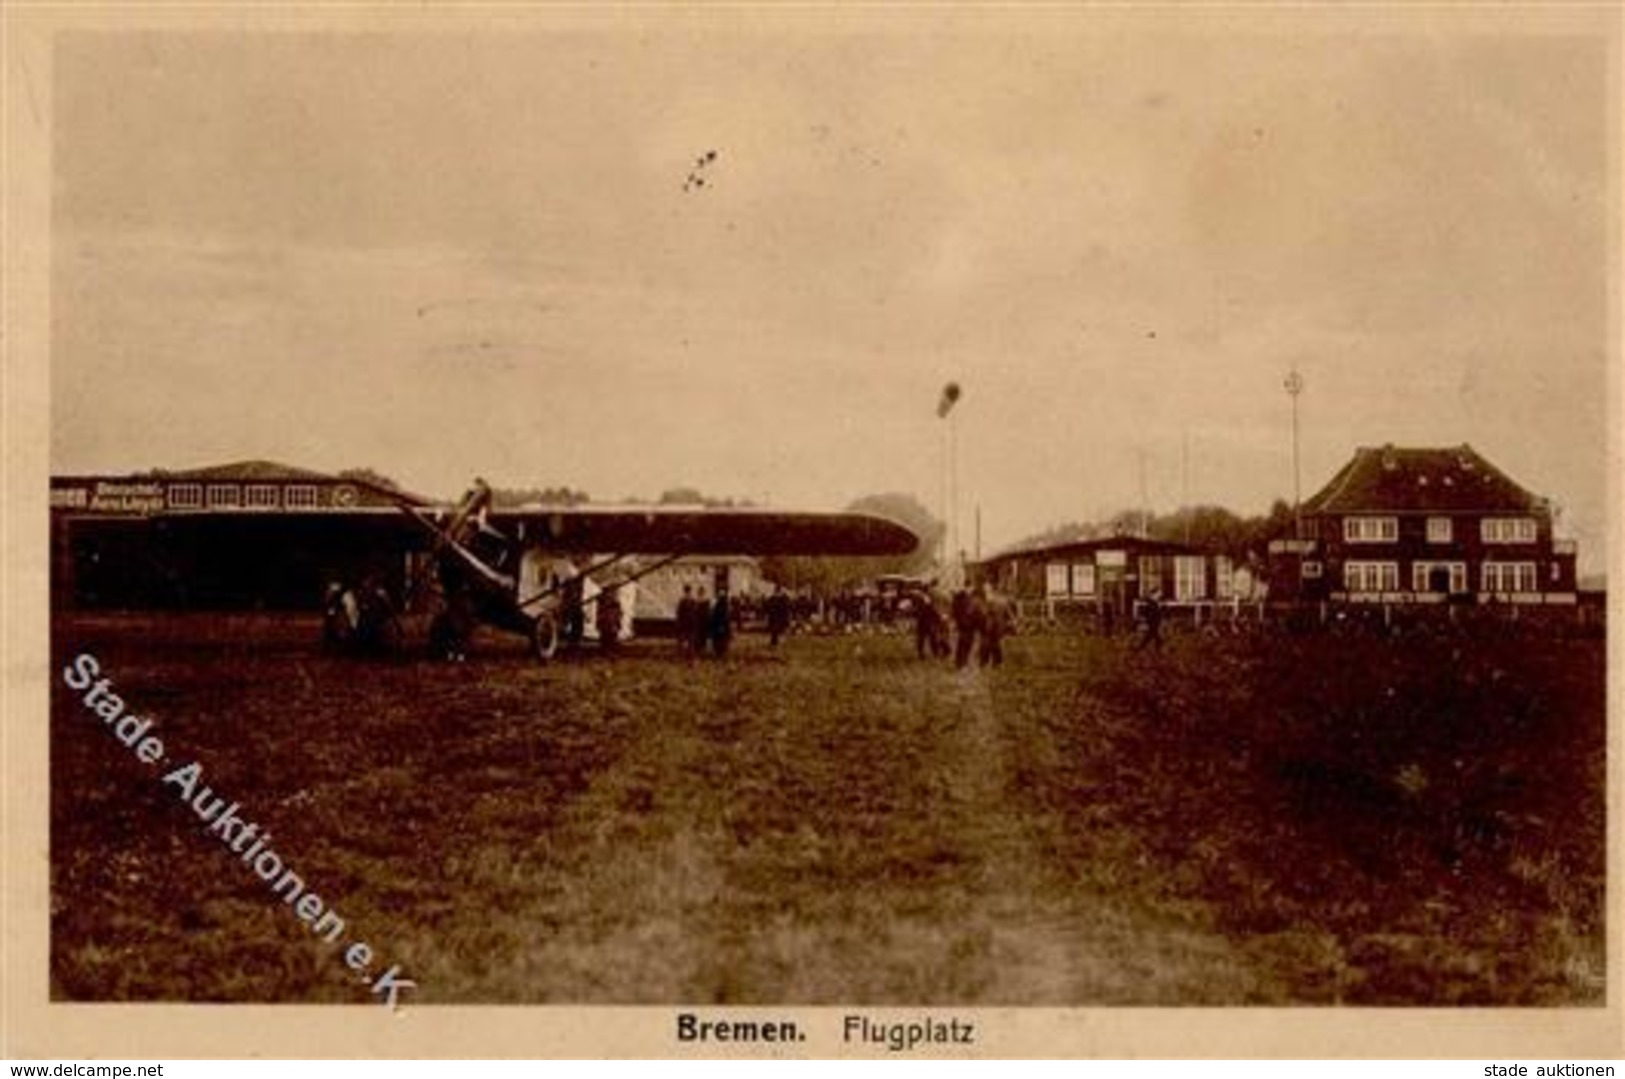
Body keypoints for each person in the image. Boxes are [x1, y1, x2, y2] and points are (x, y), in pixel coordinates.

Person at [979, 583, 1015, 667]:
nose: (985, 591)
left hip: (996, 626)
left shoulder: (997, 600)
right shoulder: (984, 601)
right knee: (986, 644)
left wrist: (1011, 620)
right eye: (984, 590)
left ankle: (997, 662)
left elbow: (1007, 611)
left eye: (987, 589)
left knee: (996, 644)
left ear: (991, 589)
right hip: (987, 626)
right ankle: (985, 662)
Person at [952, 586, 984, 669]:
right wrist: (980, 627)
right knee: (967, 644)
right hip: (969, 626)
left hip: (962, 625)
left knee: (961, 643)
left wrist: (958, 623)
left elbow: (955, 613)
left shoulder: (959, 601)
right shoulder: (973, 602)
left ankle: (959, 662)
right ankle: (963, 662)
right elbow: (977, 615)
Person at [596, 586, 623, 651]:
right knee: (606, 632)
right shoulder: (602, 600)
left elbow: (618, 610)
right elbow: (601, 610)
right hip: (606, 619)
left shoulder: (615, 601)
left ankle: (611, 645)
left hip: (612, 619)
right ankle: (606, 646)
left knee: (612, 632)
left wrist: (618, 615)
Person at [710, 588, 733, 658]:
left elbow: (725, 615)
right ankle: (719, 651)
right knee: (719, 639)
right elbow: (715, 614)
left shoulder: (724, 605)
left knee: (722, 638)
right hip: (718, 624)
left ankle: (721, 651)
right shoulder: (718, 604)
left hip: (722, 624)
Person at [690, 586, 713, 656]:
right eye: (700, 592)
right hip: (700, 620)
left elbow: (707, 611)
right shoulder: (699, 601)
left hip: (703, 620)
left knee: (702, 634)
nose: (701, 593)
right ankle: (700, 647)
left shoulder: (703, 601)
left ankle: (702, 647)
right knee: (700, 634)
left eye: (701, 592)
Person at [674, 585, 695, 655]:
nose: (688, 594)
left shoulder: (690, 601)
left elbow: (679, 613)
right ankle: (685, 652)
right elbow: (679, 613)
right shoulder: (685, 601)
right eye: (687, 592)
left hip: (688, 623)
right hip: (686, 623)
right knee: (685, 639)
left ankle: (687, 653)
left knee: (687, 639)